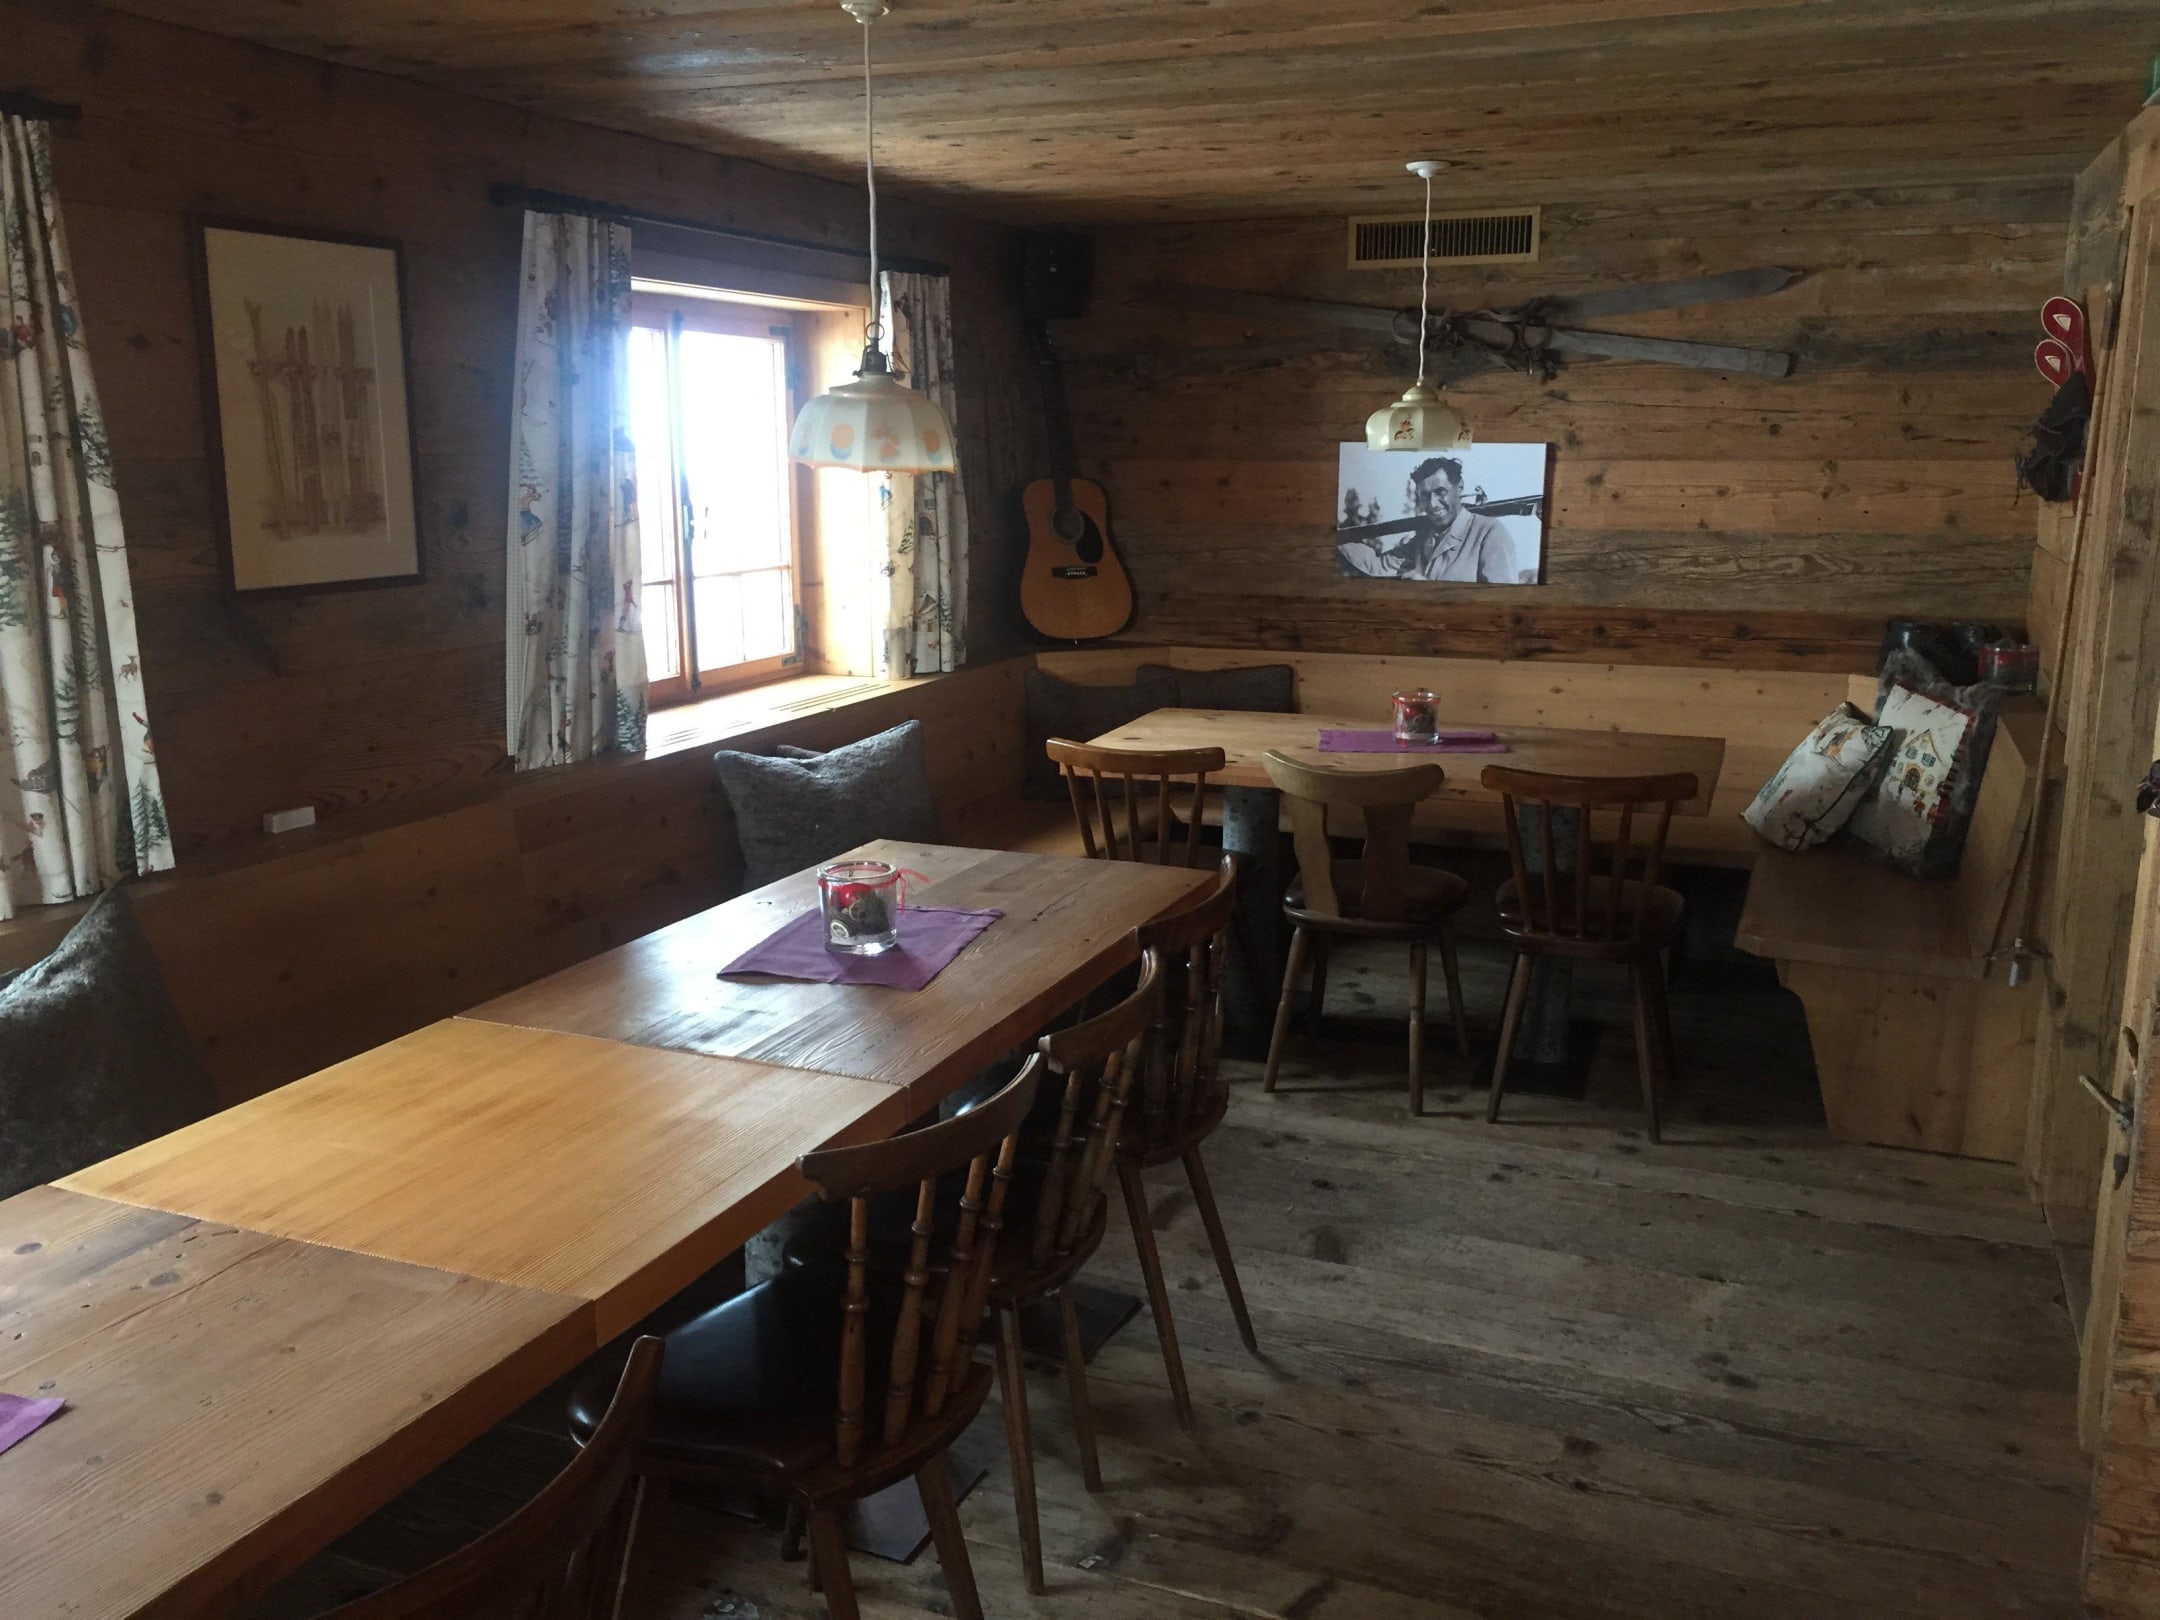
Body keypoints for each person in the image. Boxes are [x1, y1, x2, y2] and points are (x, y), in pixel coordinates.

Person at [1397, 456, 1518, 583]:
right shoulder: (1422, 539)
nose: (1433, 504)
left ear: (1459, 488)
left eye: (1441, 492)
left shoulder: (1491, 533)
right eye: (1425, 496)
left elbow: (1501, 594)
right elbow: (1383, 566)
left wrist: (1427, 590)